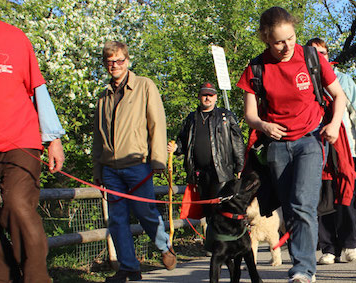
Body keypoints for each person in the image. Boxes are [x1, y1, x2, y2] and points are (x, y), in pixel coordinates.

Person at [236, 7, 347, 283]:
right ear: (265, 39)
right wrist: (263, 126)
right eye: (278, 42)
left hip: (310, 139)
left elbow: (340, 96)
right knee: (289, 206)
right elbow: (250, 114)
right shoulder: (256, 68)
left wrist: (333, 125)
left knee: (303, 204)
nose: (287, 46)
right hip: (276, 145)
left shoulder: (310, 58)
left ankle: (303, 269)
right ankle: (301, 262)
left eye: (291, 38)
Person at [92, 41, 175, 283]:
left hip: (138, 163)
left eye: (118, 60)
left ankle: (163, 246)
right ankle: (128, 267)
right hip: (110, 168)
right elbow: (98, 136)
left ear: (127, 61)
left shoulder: (144, 86)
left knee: (145, 212)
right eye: (109, 61)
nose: (114, 65)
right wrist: (98, 169)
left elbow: (156, 123)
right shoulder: (103, 96)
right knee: (116, 219)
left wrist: (158, 159)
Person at [0, 20, 66, 283]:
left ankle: (37, 278)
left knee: (17, 204)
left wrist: (53, 139)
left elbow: (39, 89)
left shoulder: (14, 37)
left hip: (19, 141)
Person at [306, 38, 356, 265]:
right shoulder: (303, 81)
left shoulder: (342, 80)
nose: (318, 57)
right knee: (323, 198)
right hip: (316, 149)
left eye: (323, 53)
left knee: (345, 196)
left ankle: (349, 244)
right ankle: (328, 247)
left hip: (345, 148)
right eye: (313, 53)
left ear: (328, 56)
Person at [167, 82, 245, 247]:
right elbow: (182, 141)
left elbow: (237, 142)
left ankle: (225, 243)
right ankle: (213, 245)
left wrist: (240, 166)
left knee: (221, 208)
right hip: (199, 173)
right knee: (207, 211)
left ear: (216, 97)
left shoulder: (226, 116)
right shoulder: (192, 118)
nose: (207, 97)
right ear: (199, 97)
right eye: (204, 94)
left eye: (210, 95)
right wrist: (175, 148)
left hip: (222, 172)